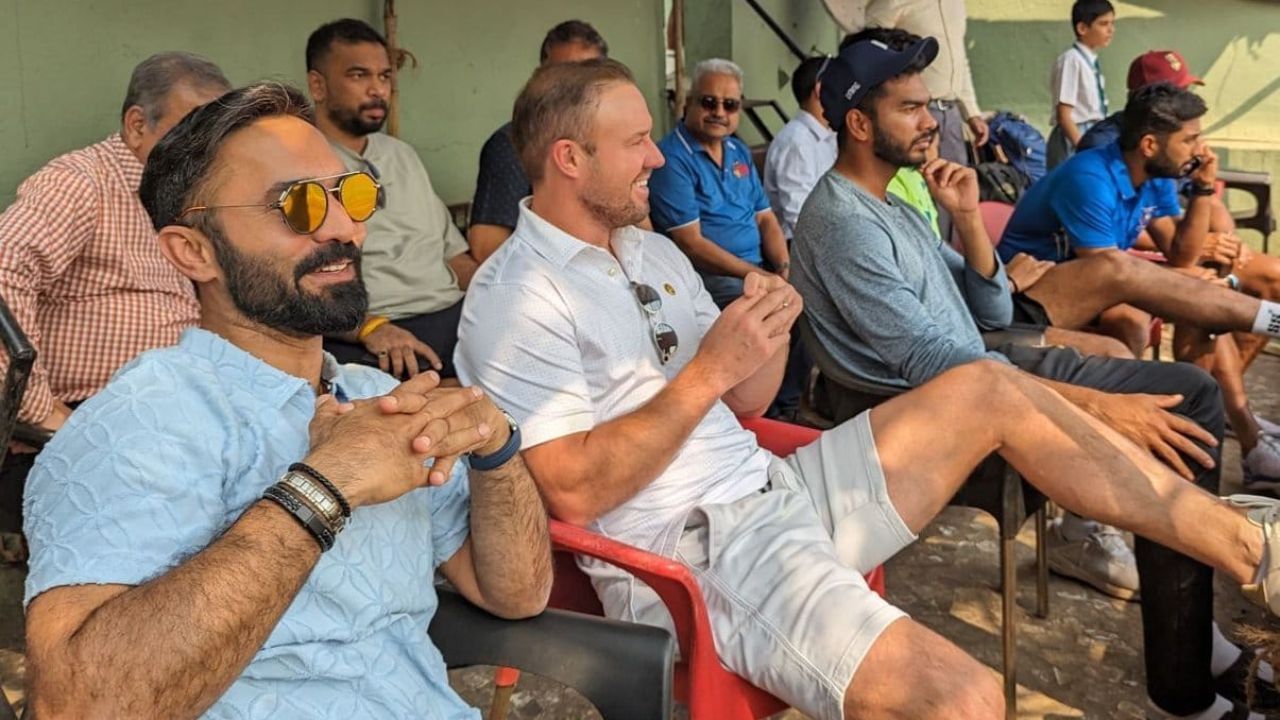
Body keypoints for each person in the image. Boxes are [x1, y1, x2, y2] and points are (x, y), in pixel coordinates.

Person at [456, 56, 1280, 720]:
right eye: (637, 141)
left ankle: (1256, 554)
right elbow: (569, 487)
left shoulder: (648, 250)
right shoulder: (518, 295)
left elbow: (743, 406)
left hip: (771, 487)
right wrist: (712, 366)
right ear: (570, 159)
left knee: (988, 384)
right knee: (965, 699)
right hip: (697, 547)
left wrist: (761, 338)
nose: (658, 156)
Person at [21, 82, 552, 719]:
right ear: (194, 251)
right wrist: (322, 488)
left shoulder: (377, 401)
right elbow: (78, 706)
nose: (344, 228)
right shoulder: (142, 420)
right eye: (295, 205)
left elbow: (516, 595)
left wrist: (496, 447)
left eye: (351, 194)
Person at [0, 51, 230, 561]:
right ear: (136, 125)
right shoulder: (82, 182)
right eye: (193, 129)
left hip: (180, 415)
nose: (206, 148)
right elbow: (3, 271)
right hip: (87, 426)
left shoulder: (188, 195)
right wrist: (44, 414)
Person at [999, 82, 1280, 489]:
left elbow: (1181, 253)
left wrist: (1203, 188)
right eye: (1191, 139)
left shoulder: (1156, 173)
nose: (1200, 149)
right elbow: (1107, 275)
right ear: (1150, 143)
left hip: (1098, 282)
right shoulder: (1089, 177)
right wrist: (1186, 283)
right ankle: (1128, 450)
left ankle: (1206, 436)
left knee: (1199, 308)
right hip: (1036, 294)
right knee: (1139, 317)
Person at [1078, 49, 1280, 488]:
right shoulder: (1103, 157)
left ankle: (1226, 420)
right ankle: (1236, 429)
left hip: (1127, 262)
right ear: (1151, 103)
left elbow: (1180, 247)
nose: (1196, 137)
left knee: (1241, 281)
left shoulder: (1166, 154)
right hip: (1085, 277)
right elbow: (1102, 263)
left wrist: (1208, 196)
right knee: (1200, 299)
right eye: (1179, 91)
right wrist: (1197, 260)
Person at [306, 19, 479, 380]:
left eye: (384, 77)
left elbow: (457, 259)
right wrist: (370, 328)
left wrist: (501, 303)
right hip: (371, 331)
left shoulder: (402, 155)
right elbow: (296, 286)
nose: (376, 90)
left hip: (455, 315)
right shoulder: (299, 163)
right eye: (358, 76)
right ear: (317, 85)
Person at [648, 58, 789, 309]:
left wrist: (783, 268)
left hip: (754, 272)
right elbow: (691, 244)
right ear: (688, 103)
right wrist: (761, 278)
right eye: (708, 102)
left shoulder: (737, 149)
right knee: (786, 311)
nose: (719, 112)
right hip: (710, 280)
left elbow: (765, 218)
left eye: (730, 105)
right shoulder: (671, 158)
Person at [468, 19, 609, 264]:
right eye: (564, 74)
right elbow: (486, 247)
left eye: (590, 73)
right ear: (541, 78)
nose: (577, 86)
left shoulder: (608, 140)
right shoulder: (512, 144)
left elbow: (641, 227)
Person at [862, 0, 991, 243]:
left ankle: (947, 266)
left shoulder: (956, 5)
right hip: (911, 113)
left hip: (950, 113)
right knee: (915, 192)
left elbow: (960, 60)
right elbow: (871, 48)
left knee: (951, 191)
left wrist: (972, 112)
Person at [764, 56, 836, 240]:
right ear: (820, 90)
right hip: (799, 246)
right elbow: (800, 218)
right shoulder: (796, 142)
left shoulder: (829, 135)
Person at [1046, 0, 1115, 169]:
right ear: (1082, 28)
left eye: (1112, 23)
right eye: (1103, 24)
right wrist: (1083, 147)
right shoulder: (1071, 60)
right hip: (1074, 135)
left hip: (1092, 133)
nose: (1111, 30)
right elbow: (1064, 115)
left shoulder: (1090, 61)